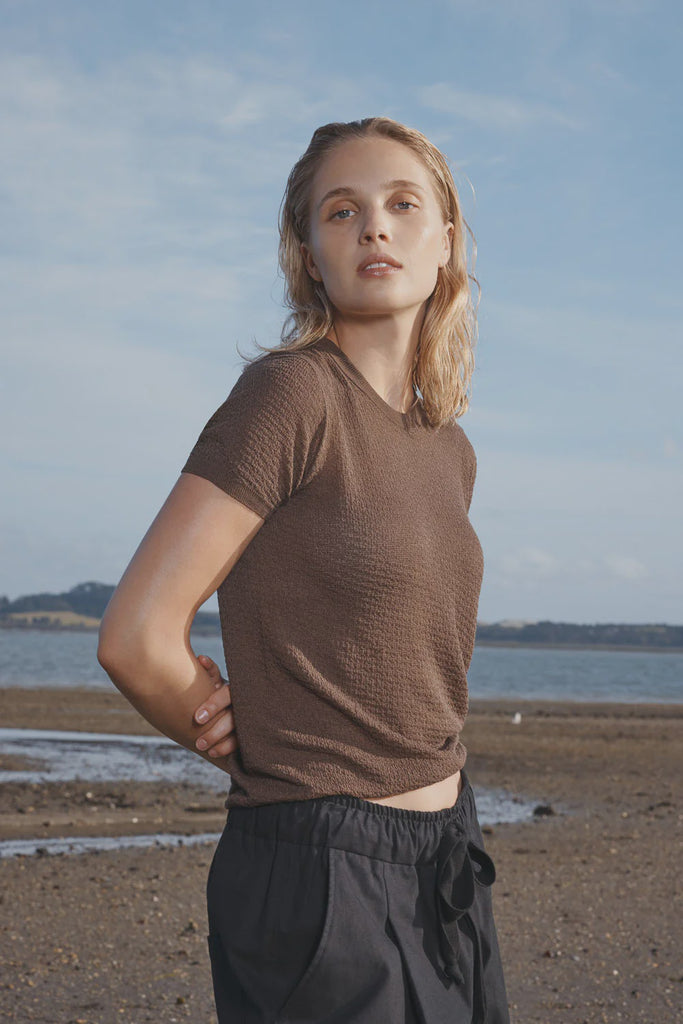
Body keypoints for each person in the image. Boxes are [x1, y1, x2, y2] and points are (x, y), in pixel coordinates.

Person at [98, 116, 511, 1023]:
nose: (374, 227)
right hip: (322, 871)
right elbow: (136, 636)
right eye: (341, 210)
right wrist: (246, 738)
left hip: (447, 851)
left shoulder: (449, 448)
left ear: (445, 241)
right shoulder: (289, 396)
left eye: (404, 204)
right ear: (306, 256)